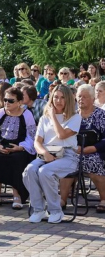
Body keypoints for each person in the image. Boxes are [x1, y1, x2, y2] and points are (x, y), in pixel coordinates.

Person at [23, 84, 80, 223]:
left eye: (62, 98)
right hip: (47, 153)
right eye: (55, 97)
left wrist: (54, 116)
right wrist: (45, 153)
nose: (58, 100)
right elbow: (37, 142)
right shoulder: (44, 118)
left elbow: (61, 135)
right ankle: (38, 209)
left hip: (68, 155)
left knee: (45, 172)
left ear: (68, 99)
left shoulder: (75, 117)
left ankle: (55, 210)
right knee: (29, 170)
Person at [0, 87, 37, 209]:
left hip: (20, 147)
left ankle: (17, 195)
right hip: (1, 145)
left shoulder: (27, 114)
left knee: (17, 159)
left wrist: (20, 147)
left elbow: (32, 136)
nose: (6, 103)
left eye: (11, 101)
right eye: (5, 100)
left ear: (20, 102)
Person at [58, 84, 105, 212]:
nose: (80, 99)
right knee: (66, 162)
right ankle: (62, 200)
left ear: (93, 98)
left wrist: (90, 149)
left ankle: (103, 199)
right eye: (79, 96)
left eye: (84, 97)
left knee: (93, 162)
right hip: (74, 151)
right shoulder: (71, 115)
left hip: (96, 151)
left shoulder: (101, 115)